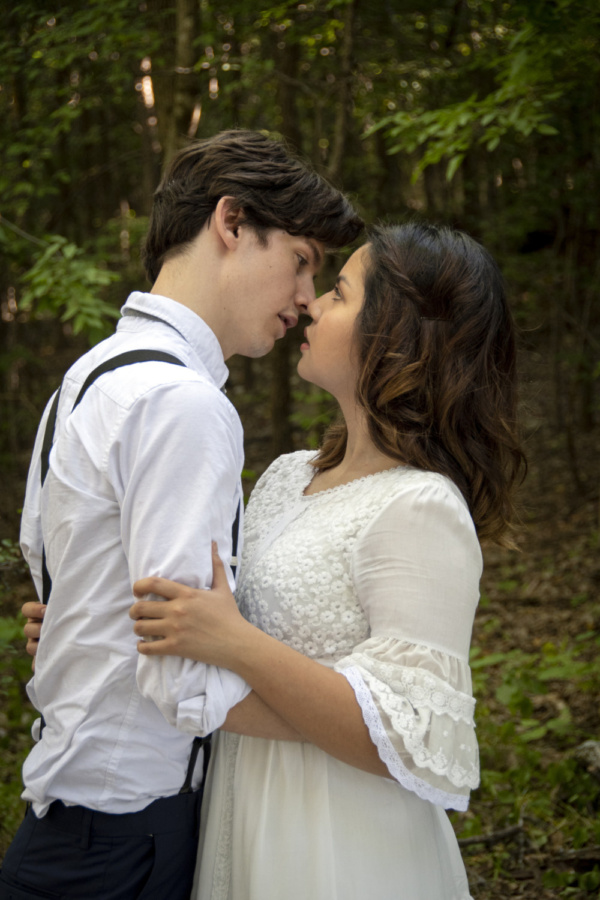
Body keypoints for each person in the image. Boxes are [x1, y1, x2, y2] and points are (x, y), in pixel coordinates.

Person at [1, 130, 363, 900]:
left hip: (79, 826)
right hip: (122, 843)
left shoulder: (89, 375)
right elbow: (186, 685)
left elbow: (62, 585)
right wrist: (352, 729)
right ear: (232, 222)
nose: (306, 299)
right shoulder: (182, 404)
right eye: (300, 260)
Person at [129, 222, 526, 900]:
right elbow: (207, 631)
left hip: (341, 843)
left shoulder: (421, 508)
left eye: (339, 292)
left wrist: (236, 645)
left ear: (397, 334)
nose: (310, 304)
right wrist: (115, 635)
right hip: (244, 807)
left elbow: (411, 740)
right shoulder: (287, 475)